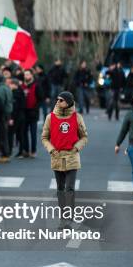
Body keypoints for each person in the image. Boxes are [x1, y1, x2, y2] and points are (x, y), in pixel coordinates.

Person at [41, 92, 88, 230]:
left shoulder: (77, 117)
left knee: (70, 188)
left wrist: (76, 147)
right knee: (60, 189)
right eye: (57, 99)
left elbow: (84, 137)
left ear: (68, 102)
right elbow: (44, 137)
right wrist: (51, 149)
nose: (57, 101)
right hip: (56, 157)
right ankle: (63, 217)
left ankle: (68, 219)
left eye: (61, 100)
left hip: (72, 156)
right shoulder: (50, 117)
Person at [23, 69, 44, 157]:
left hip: (33, 112)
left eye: (28, 74)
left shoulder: (36, 85)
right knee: (24, 132)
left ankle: (33, 151)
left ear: (31, 75)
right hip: (24, 112)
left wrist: (35, 109)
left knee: (33, 132)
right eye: (25, 74)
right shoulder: (22, 86)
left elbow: (40, 98)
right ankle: (26, 150)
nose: (26, 76)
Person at [0, 77, 13, 162]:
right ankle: (6, 153)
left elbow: (0, 103)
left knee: (1, 135)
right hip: (7, 113)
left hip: (2, 114)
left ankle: (4, 153)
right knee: (4, 134)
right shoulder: (7, 88)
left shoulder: (0, 90)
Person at [8, 78, 26, 156]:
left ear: (14, 85)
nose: (9, 86)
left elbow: (14, 107)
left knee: (11, 134)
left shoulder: (14, 94)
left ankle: (10, 150)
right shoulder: (21, 92)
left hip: (16, 117)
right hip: (22, 115)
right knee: (20, 134)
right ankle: (21, 151)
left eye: (11, 84)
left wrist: (11, 118)